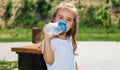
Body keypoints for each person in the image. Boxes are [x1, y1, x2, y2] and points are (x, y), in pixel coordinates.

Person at [42, 2, 78, 70]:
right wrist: (47, 39)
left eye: (69, 19)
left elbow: (72, 61)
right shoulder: (50, 41)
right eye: (61, 17)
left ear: (72, 25)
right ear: (54, 19)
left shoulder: (69, 40)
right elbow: (49, 61)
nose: (64, 22)